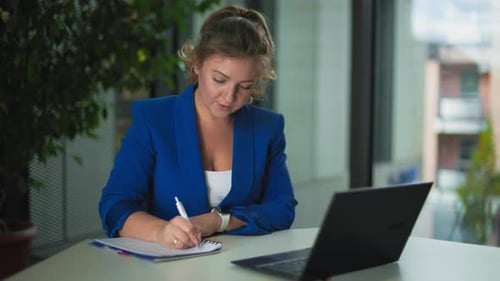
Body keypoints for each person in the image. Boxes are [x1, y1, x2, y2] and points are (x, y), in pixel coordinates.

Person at [98, 5, 297, 249]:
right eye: (219, 80)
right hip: (167, 268)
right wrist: (161, 231)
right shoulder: (154, 119)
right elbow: (115, 205)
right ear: (196, 64)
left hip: (242, 267)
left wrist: (216, 221)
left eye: (244, 86)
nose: (228, 97)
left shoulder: (268, 127)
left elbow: (282, 208)